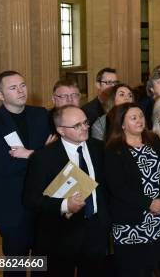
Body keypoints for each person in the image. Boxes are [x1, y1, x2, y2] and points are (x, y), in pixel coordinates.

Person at [23, 106, 110, 276]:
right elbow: (30, 199)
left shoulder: (99, 148)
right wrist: (64, 205)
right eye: (77, 125)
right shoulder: (43, 157)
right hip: (61, 234)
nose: (85, 127)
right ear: (61, 130)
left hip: (96, 229)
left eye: (85, 122)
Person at [0, 71, 50, 273]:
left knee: (40, 261)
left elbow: (53, 155)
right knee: (15, 262)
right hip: (10, 203)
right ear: (0, 95)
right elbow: (3, 166)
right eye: (13, 88)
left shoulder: (40, 114)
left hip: (41, 200)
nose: (21, 91)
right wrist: (39, 155)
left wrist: (28, 155)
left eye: (23, 85)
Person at [104, 103, 160, 277]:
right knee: (135, 270)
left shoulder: (154, 140)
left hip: (158, 216)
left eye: (141, 116)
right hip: (131, 221)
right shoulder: (113, 149)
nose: (140, 120)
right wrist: (148, 203)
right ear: (122, 124)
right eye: (133, 118)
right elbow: (117, 187)